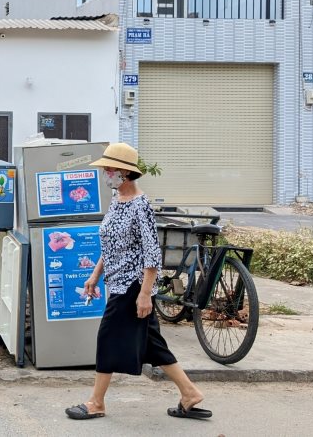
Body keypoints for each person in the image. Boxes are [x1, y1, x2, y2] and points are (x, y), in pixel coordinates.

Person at [64, 143, 212, 421]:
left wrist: (145, 294)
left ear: (123, 172)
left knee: (107, 337)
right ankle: (190, 394)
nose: (105, 173)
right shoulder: (117, 199)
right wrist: (95, 276)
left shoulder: (140, 205)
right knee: (152, 344)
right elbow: (110, 246)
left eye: (108, 169)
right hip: (117, 281)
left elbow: (152, 254)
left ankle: (96, 402)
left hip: (131, 286)